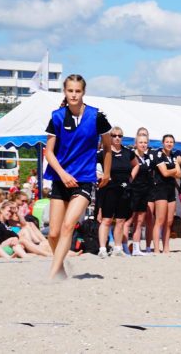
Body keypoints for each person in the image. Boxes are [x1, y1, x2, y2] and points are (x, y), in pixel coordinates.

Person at [44, 74, 112, 278]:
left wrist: (107, 173)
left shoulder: (96, 116)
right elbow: (48, 152)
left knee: (67, 226)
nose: (74, 94)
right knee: (54, 233)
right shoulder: (56, 116)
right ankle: (61, 269)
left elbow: (108, 147)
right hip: (60, 178)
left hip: (84, 178)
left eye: (77, 91)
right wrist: (63, 174)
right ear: (65, 91)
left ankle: (52, 276)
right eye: (70, 90)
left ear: (83, 92)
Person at [96, 126, 136, 258]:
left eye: (120, 135)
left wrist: (131, 178)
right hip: (108, 188)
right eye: (114, 135)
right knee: (106, 220)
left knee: (120, 220)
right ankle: (102, 248)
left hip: (124, 188)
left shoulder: (128, 152)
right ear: (110, 137)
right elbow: (91, 166)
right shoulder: (104, 153)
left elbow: (136, 165)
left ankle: (118, 248)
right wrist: (99, 176)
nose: (117, 138)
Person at [151, 135, 180, 254]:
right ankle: (157, 248)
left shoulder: (173, 155)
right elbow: (165, 173)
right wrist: (174, 169)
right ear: (163, 143)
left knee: (169, 221)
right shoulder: (159, 154)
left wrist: (173, 171)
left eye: (171, 142)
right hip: (160, 189)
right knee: (160, 220)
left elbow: (180, 175)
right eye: (167, 142)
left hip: (170, 189)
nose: (169, 144)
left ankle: (166, 247)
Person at [127, 133, 153, 255]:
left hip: (144, 192)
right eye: (141, 142)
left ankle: (136, 248)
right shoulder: (131, 156)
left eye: (145, 142)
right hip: (133, 192)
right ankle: (124, 247)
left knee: (140, 221)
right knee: (129, 221)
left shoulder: (148, 157)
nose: (143, 144)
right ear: (136, 144)